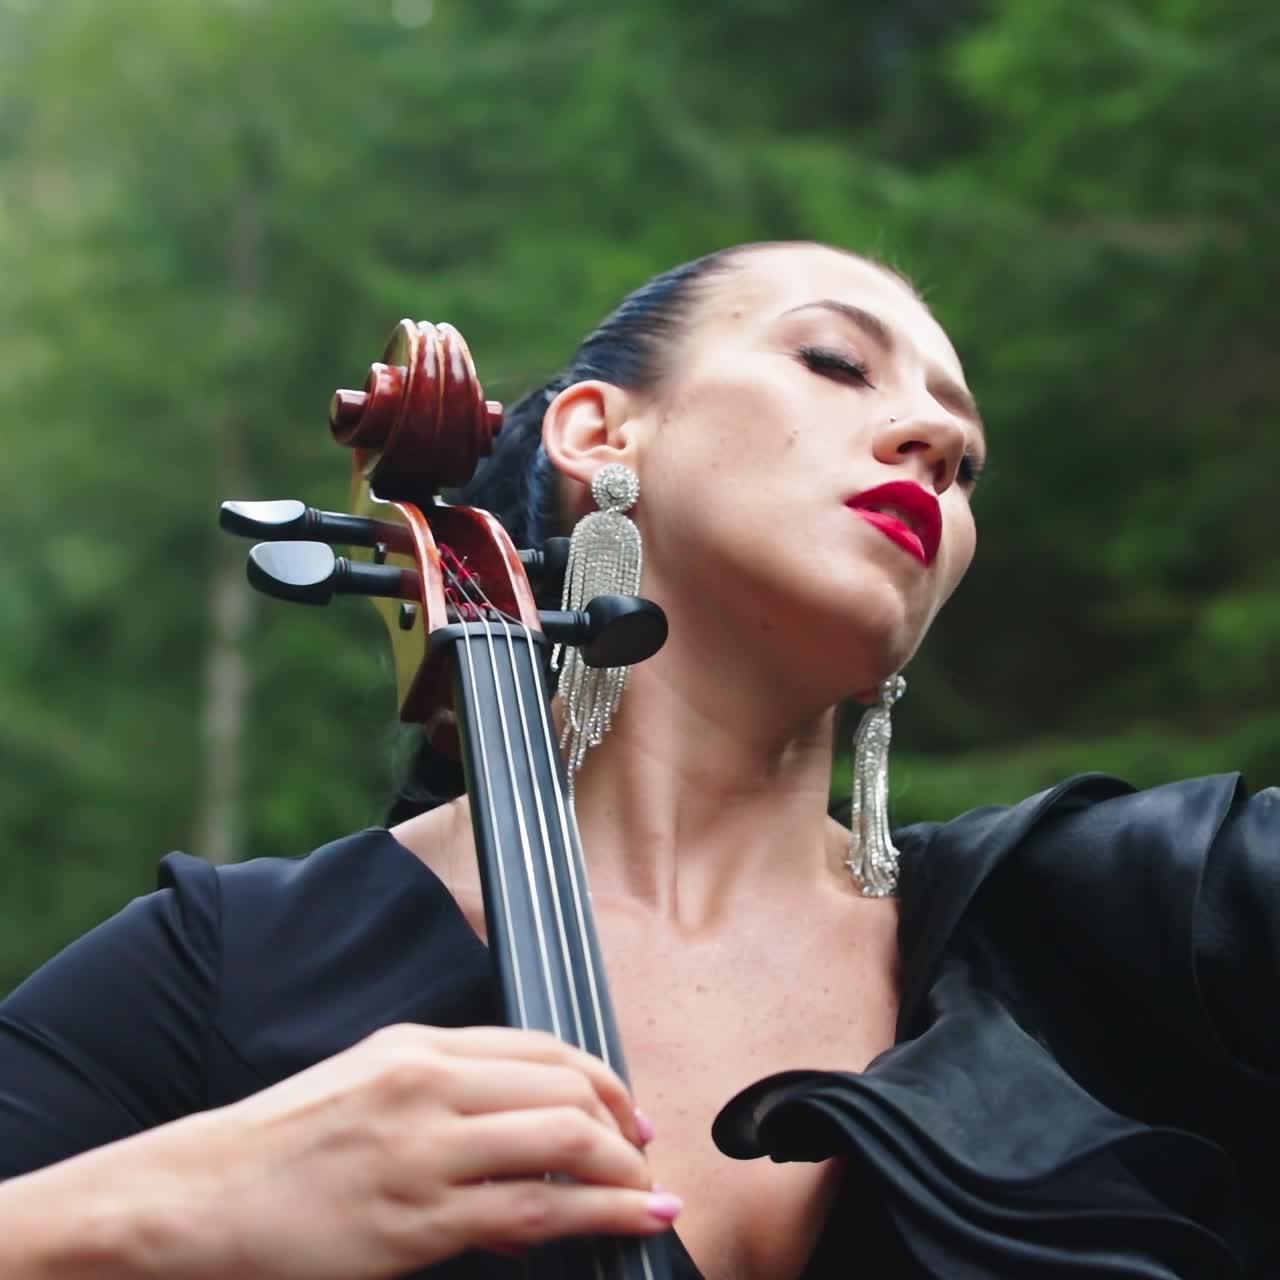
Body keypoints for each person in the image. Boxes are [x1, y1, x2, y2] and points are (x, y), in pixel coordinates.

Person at [0, 240, 1274, 1280]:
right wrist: (175, 1202)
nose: (931, 444)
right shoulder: (231, 965)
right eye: (835, 360)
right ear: (600, 432)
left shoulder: (1117, 922)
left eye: (967, 455)